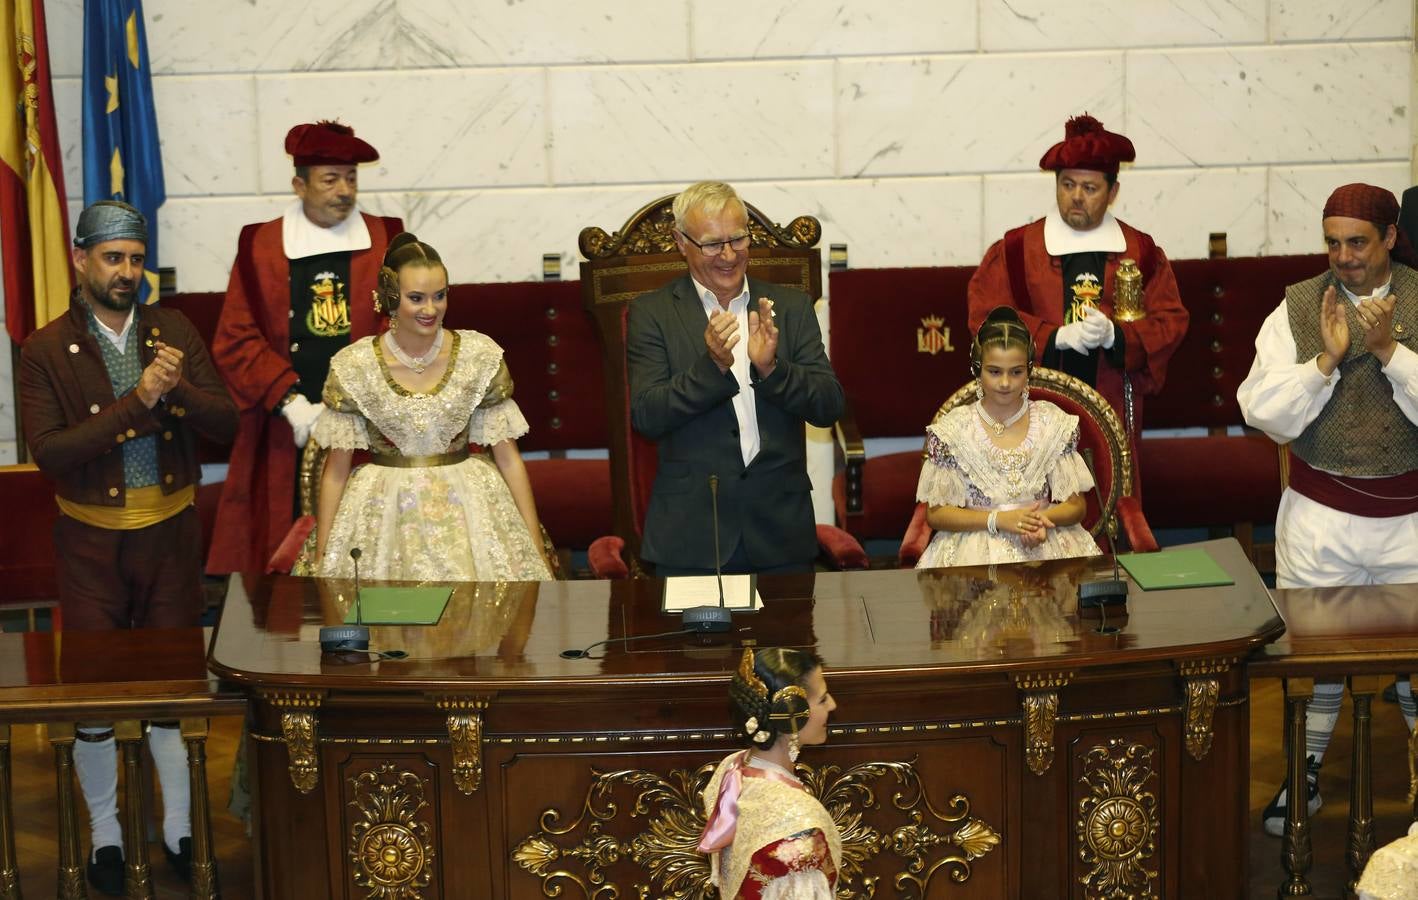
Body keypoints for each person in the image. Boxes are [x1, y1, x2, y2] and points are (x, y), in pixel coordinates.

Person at [18, 201, 238, 893]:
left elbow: (228, 423)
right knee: (91, 697)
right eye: (113, 258)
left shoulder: (172, 330)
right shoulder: (44, 349)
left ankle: (177, 828)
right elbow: (52, 452)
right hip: (88, 546)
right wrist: (139, 402)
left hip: (170, 535)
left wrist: (174, 396)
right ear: (81, 261)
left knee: (173, 690)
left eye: (136, 259)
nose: (127, 272)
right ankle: (106, 836)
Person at [1237, 182, 1418, 836]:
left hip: (1410, 523)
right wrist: (1326, 361)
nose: (1343, 256)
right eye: (1333, 241)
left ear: (1391, 238)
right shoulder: (1298, 308)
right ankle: (1303, 773)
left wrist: (1390, 354)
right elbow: (1260, 410)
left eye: (1358, 242)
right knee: (1311, 656)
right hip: (1318, 517)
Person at [207, 120, 403, 575]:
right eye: (330, 179)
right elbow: (235, 337)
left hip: (367, 423)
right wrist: (290, 402)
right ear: (299, 184)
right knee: (284, 547)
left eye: (351, 178)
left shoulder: (385, 240)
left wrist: (358, 403)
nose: (344, 191)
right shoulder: (260, 246)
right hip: (285, 429)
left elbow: (399, 326)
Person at [627, 180, 845, 575]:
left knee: (791, 639)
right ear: (681, 242)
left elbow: (828, 406)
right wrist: (711, 367)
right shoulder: (652, 313)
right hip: (691, 536)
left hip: (781, 534)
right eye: (712, 244)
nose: (728, 255)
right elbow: (647, 416)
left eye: (738, 239)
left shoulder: (791, 308)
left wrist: (771, 369)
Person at [312, 233, 551, 582]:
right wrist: (324, 556)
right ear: (391, 298)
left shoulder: (478, 355)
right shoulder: (356, 365)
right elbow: (336, 471)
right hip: (384, 511)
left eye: (439, 296)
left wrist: (534, 545)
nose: (431, 309)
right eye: (416, 298)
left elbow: (508, 457)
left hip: (469, 506)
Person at [967, 114, 1188, 444]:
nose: (1077, 197)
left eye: (1090, 188)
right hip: (1032, 407)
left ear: (1113, 191)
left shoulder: (1140, 252)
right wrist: (1052, 339)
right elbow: (985, 319)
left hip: (1112, 409)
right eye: (1067, 184)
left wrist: (1118, 337)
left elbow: (1170, 321)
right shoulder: (1016, 250)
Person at [914, 307, 1100, 568]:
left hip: (1045, 542)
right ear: (977, 370)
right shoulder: (954, 429)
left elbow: (1077, 505)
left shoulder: (1051, 423)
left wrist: (1042, 521)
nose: (1005, 383)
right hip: (973, 550)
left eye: (1015, 372)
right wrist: (996, 520)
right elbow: (936, 513)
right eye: (994, 371)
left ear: (1029, 370)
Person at [698, 648, 841, 899]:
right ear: (791, 715)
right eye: (823, 699)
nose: (832, 705)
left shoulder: (733, 769)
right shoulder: (799, 831)